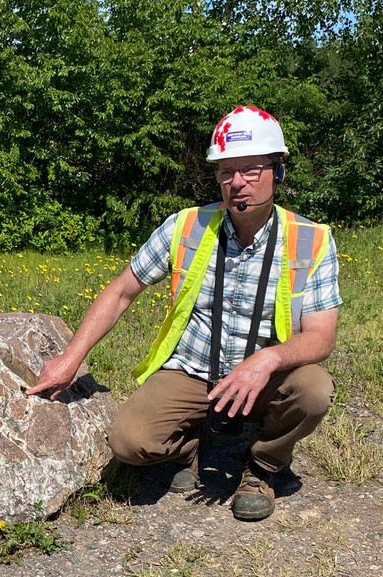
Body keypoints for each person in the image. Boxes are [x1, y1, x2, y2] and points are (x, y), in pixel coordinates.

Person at [26, 106, 341, 521]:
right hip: (192, 368)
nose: (238, 183)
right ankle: (191, 448)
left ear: (277, 172)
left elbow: (322, 336)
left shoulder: (311, 240)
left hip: (266, 375)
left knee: (314, 390)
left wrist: (266, 360)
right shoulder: (187, 226)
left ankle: (263, 467)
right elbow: (123, 290)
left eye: (251, 170)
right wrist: (72, 357)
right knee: (128, 443)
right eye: (226, 172)